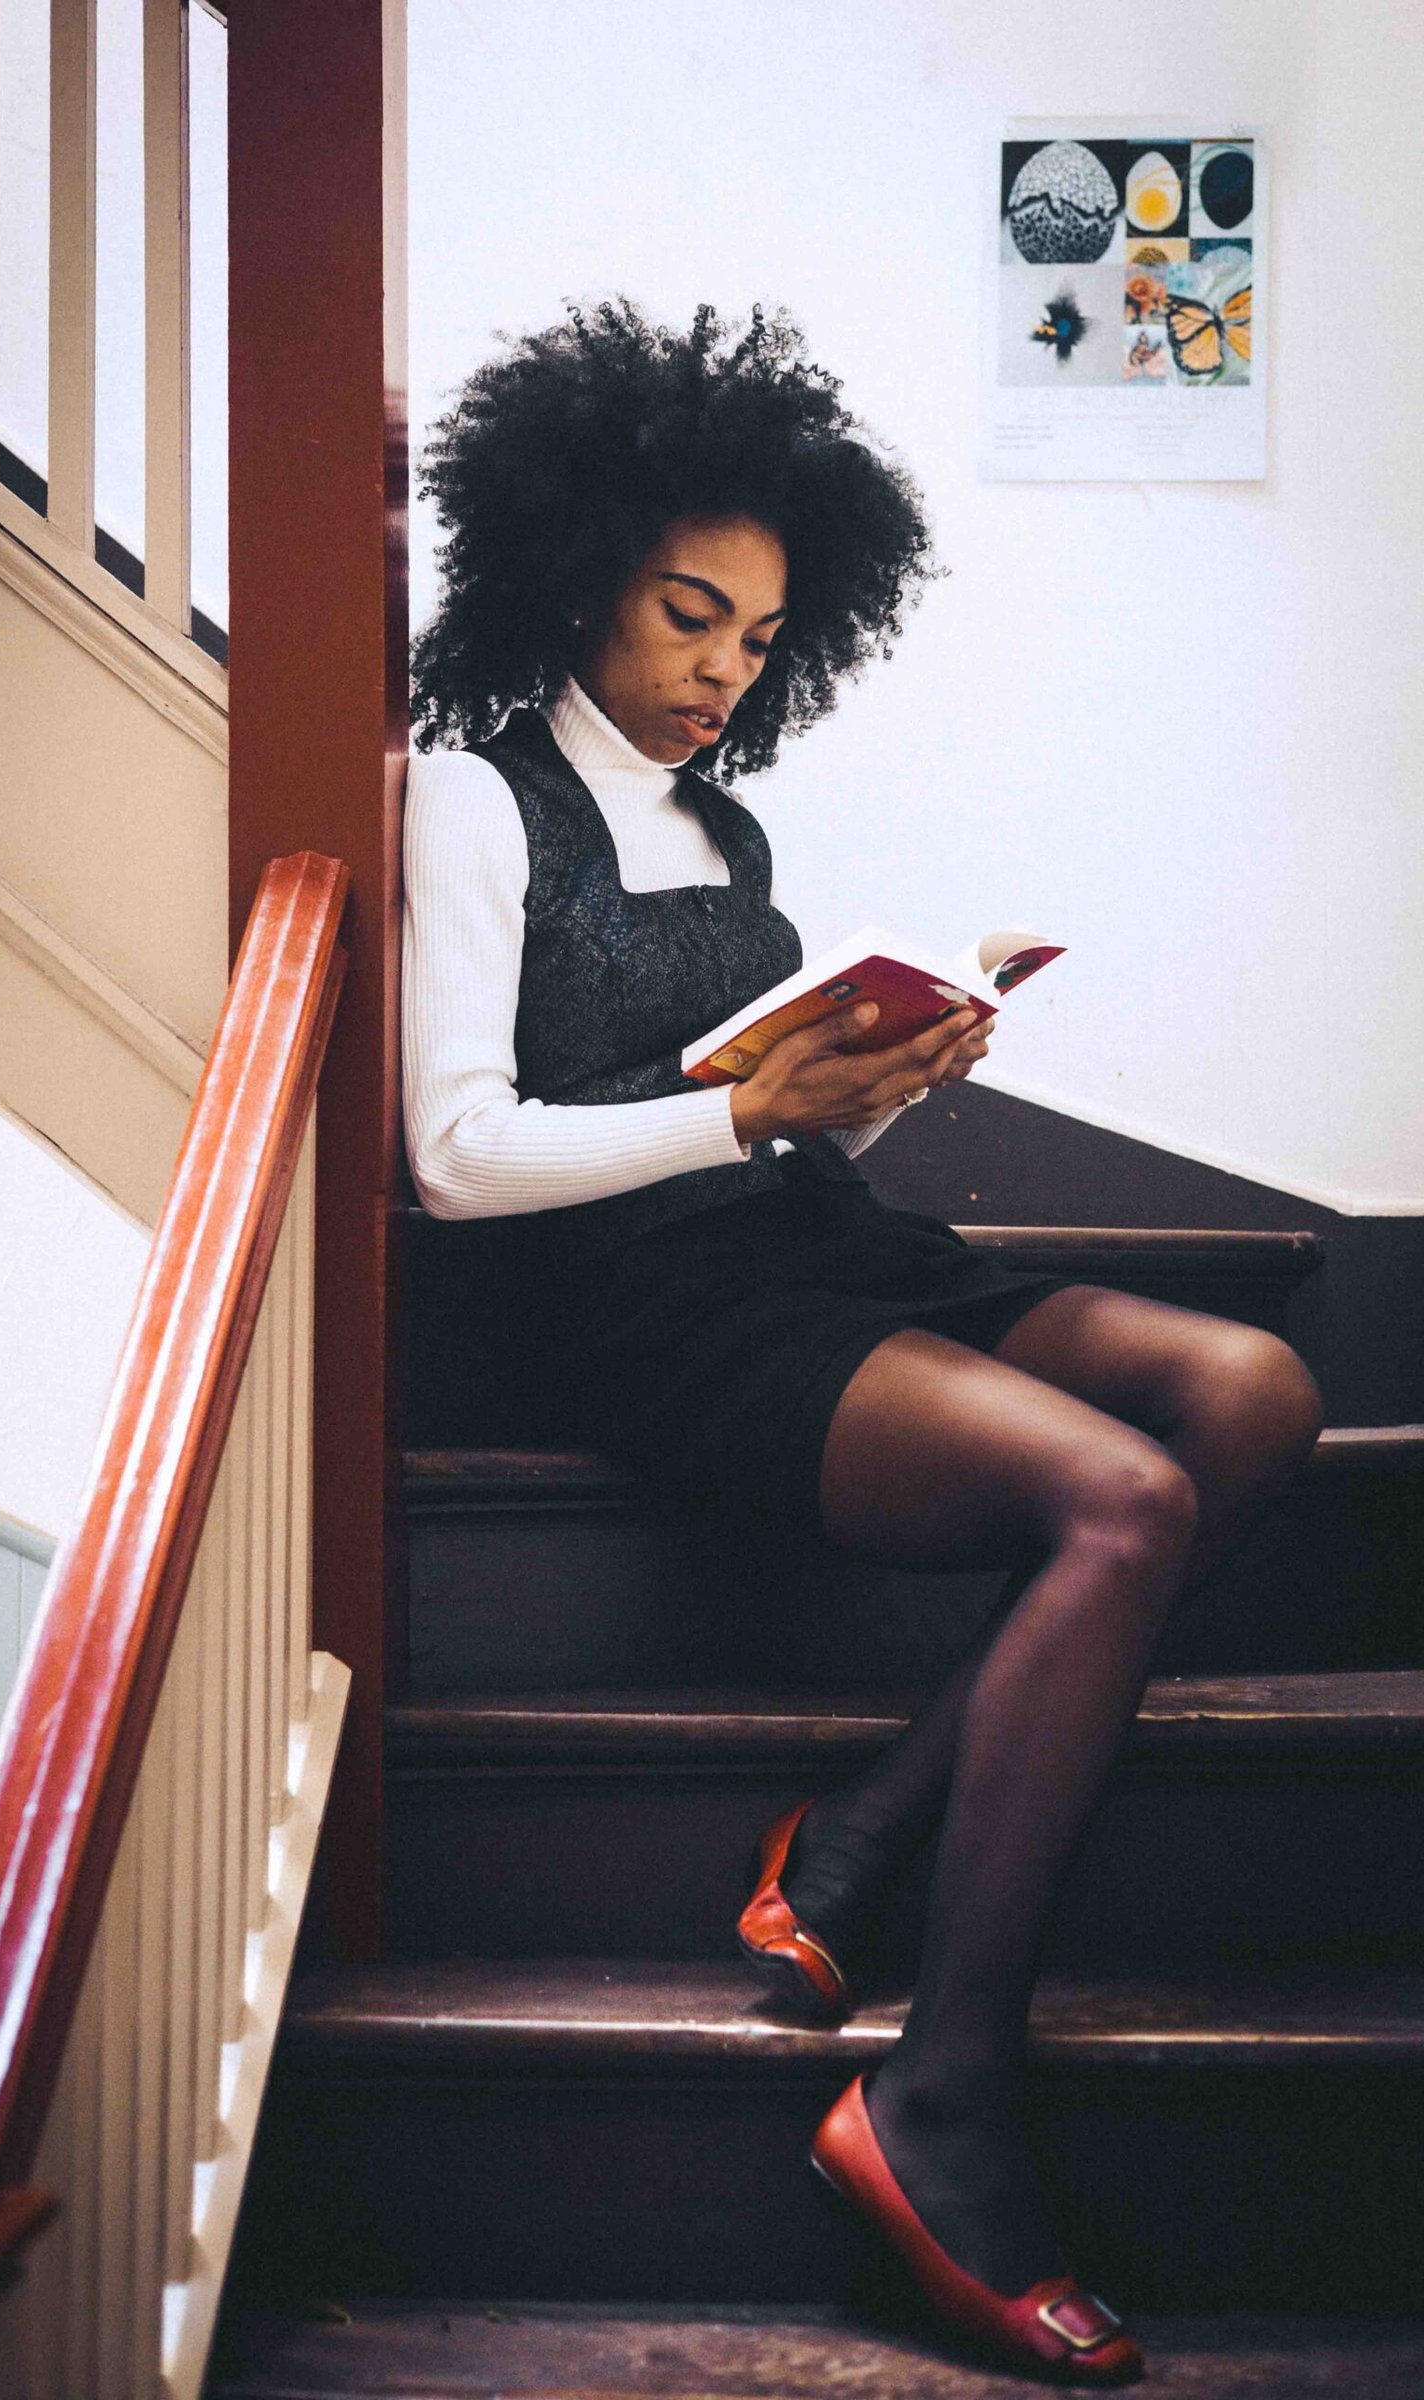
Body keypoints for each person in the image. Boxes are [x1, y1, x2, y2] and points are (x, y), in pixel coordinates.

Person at [402, 300, 1322, 2385]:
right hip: (648, 1309)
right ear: (576, 574)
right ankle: (937, 2093)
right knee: (1121, 1500)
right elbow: (455, 1156)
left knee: (1252, 1389)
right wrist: (747, 1117)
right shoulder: (468, 798)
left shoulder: (728, 831)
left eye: (756, 637)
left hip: (819, 1245)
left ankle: (865, 1832)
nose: (722, 669)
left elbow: (777, 1114)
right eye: (687, 615)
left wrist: (890, 1076)